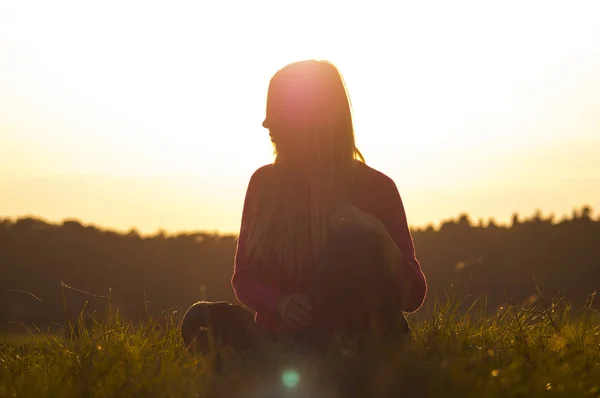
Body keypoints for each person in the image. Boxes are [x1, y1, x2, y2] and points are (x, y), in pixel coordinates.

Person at [181, 60, 427, 354]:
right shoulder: (264, 183)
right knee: (199, 318)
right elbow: (244, 276)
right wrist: (280, 303)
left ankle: (306, 355)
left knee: (351, 242)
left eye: (276, 110)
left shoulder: (377, 187)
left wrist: (378, 235)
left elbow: (412, 298)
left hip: (352, 334)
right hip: (287, 332)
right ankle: (296, 353)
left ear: (310, 117)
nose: (265, 122)